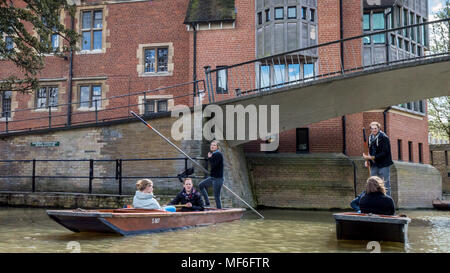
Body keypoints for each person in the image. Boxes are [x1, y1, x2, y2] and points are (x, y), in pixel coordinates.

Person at [363, 121, 394, 196]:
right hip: (374, 164)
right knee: (373, 183)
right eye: (372, 128)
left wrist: (371, 157)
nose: (374, 130)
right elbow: (370, 151)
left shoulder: (384, 137)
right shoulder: (370, 137)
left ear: (379, 128)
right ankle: (376, 201)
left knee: (385, 184)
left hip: (384, 164)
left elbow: (385, 152)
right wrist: (368, 161)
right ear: (370, 129)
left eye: (375, 128)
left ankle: (387, 201)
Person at [199, 140, 224, 209]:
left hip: (218, 179)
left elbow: (214, 165)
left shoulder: (218, 154)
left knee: (216, 196)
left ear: (217, 147)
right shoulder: (215, 154)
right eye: (211, 145)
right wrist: (211, 157)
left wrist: (210, 158)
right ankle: (207, 203)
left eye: (214, 145)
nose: (212, 146)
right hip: (213, 177)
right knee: (201, 185)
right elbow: (214, 165)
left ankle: (219, 211)